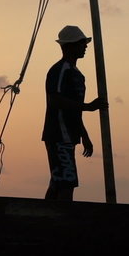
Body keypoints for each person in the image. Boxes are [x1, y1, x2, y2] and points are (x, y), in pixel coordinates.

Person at [42, 25, 107, 201]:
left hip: (69, 135)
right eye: (81, 43)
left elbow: (75, 111)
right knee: (66, 183)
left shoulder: (78, 75)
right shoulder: (59, 70)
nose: (85, 46)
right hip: (58, 134)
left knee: (58, 182)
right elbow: (55, 100)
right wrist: (88, 106)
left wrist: (84, 135)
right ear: (69, 46)